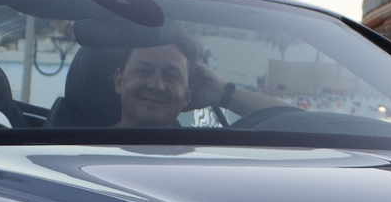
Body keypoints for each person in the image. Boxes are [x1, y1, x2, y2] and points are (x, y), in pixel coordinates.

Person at [109, 32, 284, 130]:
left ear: (188, 94)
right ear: (119, 80)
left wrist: (222, 93)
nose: (157, 85)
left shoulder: (202, 149)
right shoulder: (85, 145)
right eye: (143, 71)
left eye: (171, 76)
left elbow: (297, 122)